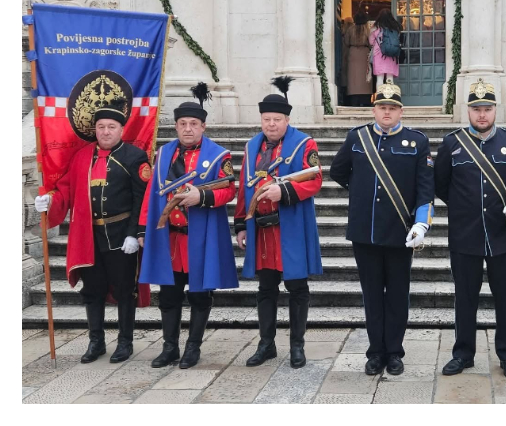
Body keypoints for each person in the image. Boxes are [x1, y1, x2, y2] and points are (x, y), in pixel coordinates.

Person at [34, 92, 149, 364]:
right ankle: (96, 342)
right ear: (94, 130)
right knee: (92, 290)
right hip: (88, 236)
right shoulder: (81, 157)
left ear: (121, 129)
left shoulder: (135, 157)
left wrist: (135, 233)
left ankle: (125, 342)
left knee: (124, 291)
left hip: (122, 236)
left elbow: (141, 200)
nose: (106, 131)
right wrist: (49, 200)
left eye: (111, 127)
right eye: (101, 127)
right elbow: (66, 190)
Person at [328, 83, 433, 375]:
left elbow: (426, 188)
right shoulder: (356, 138)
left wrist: (422, 222)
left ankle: (394, 353)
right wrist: (360, 194)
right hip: (366, 231)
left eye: (393, 108)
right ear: (374, 110)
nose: (387, 113)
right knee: (372, 295)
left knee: (398, 295)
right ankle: (375, 352)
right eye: (382, 108)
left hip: (400, 232)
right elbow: (338, 171)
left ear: (401, 111)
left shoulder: (417, 142)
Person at [435, 79, 506, 379]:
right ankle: (463, 354)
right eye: (477, 109)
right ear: (468, 111)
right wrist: (463, 208)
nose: (482, 115)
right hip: (465, 235)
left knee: (505, 296)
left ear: (495, 110)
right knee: (465, 297)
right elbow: (441, 184)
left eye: (487, 109)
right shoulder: (452, 144)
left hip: (502, 234)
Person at [140, 82, 238, 369]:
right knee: (168, 296)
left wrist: (202, 196)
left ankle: (192, 348)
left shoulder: (220, 155)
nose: (187, 129)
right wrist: (142, 228)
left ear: (203, 126)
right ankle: (169, 347)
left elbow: (229, 190)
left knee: (199, 295)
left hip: (201, 237)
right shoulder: (163, 155)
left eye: (193, 124)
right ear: (176, 126)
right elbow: (151, 194)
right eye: (182, 123)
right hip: (169, 238)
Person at [232, 77, 322, 369]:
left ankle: (297, 347)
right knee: (266, 289)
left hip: (291, 227)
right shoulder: (251, 148)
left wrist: (283, 191)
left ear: (287, 119)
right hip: (262, 230)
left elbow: (315, 178)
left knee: (297, 288)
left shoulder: (304, 143)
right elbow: (246, 188)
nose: (271, 124)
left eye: (277, 119)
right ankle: (266, 345)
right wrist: (242, 224)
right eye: (266, 119)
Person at [369, 11, 402, 84]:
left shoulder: (376, 28)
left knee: (380, 78)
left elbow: (371, 42)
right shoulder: (395, 28)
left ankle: (380, 95)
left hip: (379, 55)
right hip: (392, 55)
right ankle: (390, 95)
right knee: (390, 78)